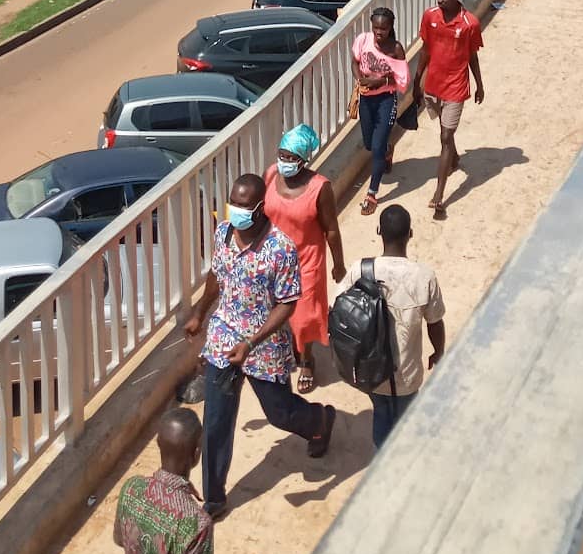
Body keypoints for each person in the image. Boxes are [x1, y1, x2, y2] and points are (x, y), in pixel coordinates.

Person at [185, 174, 335, 519]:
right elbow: (217, 274)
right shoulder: (223, 232)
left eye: (242, 205)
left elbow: (287, 303)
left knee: (279, 413)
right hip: (224, 335)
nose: (235, 210)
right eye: (232, 203)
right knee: (217, 420)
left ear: (259, 208)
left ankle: (319, 420)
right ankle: (214, 499)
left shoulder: (279, 248)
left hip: (263, 344)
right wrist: (199, 313)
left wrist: (251, 342)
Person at [344, 204, 446, 452]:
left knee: (381, 413)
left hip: (372, 371)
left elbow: (337, 310)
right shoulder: (424, 276)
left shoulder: (360, 269)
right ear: (410, 234)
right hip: (407, 374)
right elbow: (435, 322)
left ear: (379, 231)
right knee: (405, 422)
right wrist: (438, 351)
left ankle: (381, 459)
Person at [263, 125, 344, 394]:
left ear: (304, 159)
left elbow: (331, 228)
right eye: (281, 154)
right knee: (273, 309)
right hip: (274, 259)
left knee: (304, 316)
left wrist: (338, 263)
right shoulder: (271, 175)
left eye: (291, 157)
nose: (284, 161)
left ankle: (306, 360)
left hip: (306, 261)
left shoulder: (320, 188)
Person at [114, 408, 214, 554]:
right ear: (196, 454)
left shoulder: (131, 488)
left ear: (158, 444)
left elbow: (120, 539)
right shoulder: (196, 523)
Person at [413, 0, 484, 221]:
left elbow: (472, 55)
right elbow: (425, 49)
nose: (440, 1)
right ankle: (453, 159)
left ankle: (440, 195)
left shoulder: (470, 24)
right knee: (445, 133)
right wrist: (417, 79)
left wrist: (479, 85)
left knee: (445, 135)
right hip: (433, 85)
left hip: (456, 87)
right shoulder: (430, 16)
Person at [351, 7, 410, 216]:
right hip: (367, 100)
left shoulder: (395, 49)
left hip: (386, 99)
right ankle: (387, 149)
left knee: (375, 148)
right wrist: (360, 79)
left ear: (390, 27)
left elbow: (402, 80)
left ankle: (372, 193)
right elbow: (355, 62)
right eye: (376, 27)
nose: (379, 32)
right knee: (369, 143)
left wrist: (381, 81)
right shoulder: (363, 40)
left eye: (383, 28)